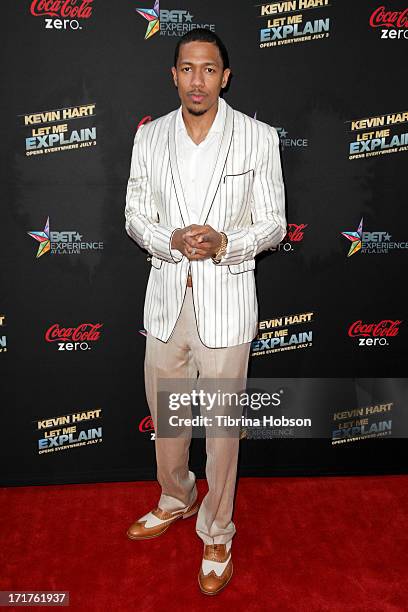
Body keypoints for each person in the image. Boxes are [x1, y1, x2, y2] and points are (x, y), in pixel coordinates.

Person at [124, 28, 286, 596]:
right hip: (168, 299)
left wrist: (224, 243)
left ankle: (218, 529)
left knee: (221, 430)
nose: (198, 80)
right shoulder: (151, 137)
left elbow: (273, 223)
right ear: (174, 75)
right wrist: (170, 240)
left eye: (209, 69)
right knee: (168, 420)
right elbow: (133, 213)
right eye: (187, 69)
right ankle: (176, 495)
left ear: (225, 76)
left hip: (227, 302)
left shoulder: (258, 138)